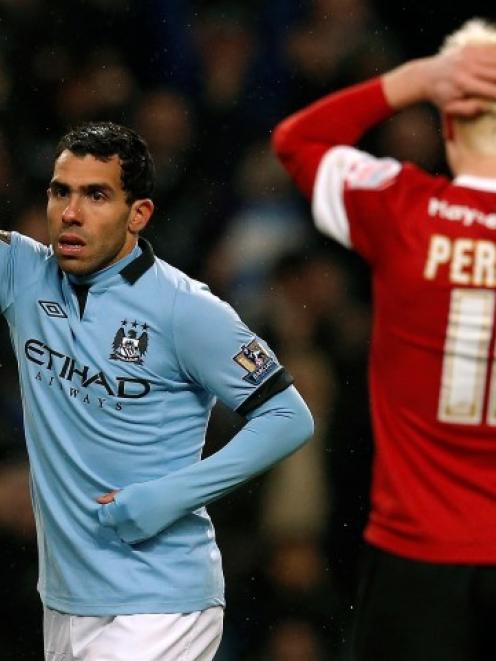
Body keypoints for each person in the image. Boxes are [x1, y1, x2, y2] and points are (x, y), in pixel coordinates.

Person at [0, 121, 314, 660]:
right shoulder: (22, 274)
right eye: (61, 192)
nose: (70, 213)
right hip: (66, 600)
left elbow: (289, 417)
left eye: (96, 195)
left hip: (162, 602)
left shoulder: (185, 309)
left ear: (138, 214)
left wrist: (167, 496)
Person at [272, 17, 496, 661]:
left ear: (448, 121)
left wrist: (414, 79)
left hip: (416, 558)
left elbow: (298, 138)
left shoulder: (402, 208)